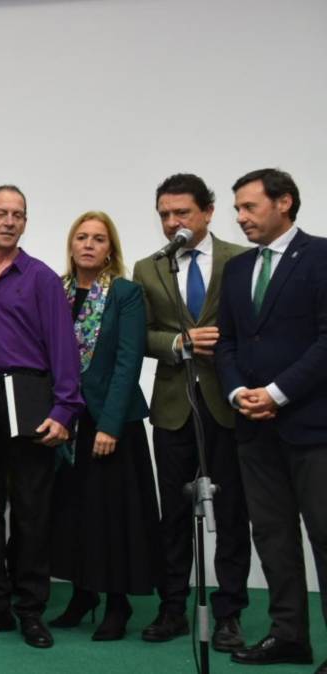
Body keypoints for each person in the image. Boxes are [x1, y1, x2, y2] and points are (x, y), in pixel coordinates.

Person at [131, 173, 251, 650]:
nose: (172, 222)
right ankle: (172, 607)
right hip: (173, 407)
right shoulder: (148, 267)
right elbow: (139, 335)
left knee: (232, 511)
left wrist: (221, 345)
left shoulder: (239, 260)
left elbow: (254, 325)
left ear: (207, 212)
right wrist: (179, 342)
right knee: (175, 514)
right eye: (164, 214)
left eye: (181, 213)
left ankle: (230, 613)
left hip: (228, 403)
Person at [0, 185, 82, 649]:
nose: (9, 221)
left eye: (18, 215)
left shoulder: (43, 278)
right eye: (1, 214)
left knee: (32, 510)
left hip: (30, 396)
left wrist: (64, 409)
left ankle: (31, 610)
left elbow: (63, 348)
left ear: (25, 223)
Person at [217, 168, 327, 671]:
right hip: (253, 428)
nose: (240, 217)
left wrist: (278, 393)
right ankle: (289, 637)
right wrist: (240, 390)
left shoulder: (322, 257)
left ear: (284, 203)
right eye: (238, 208)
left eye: (249, 207)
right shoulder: (239, 270)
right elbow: (230, 342)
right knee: (273, 536)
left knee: (324, 535)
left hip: (312, 426)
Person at [48, 211, 160, 640]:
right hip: (66, 422)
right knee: (73, 513)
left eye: (98, 238)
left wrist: (109, 426)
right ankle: (82, 594)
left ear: (110, 247)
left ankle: (118, 602)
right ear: (72, 245)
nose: (89, 245)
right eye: (82, 237)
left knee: (114, 516)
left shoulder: (126, 294)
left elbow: (129, 361)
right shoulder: (53, 291)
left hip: (112, 422)